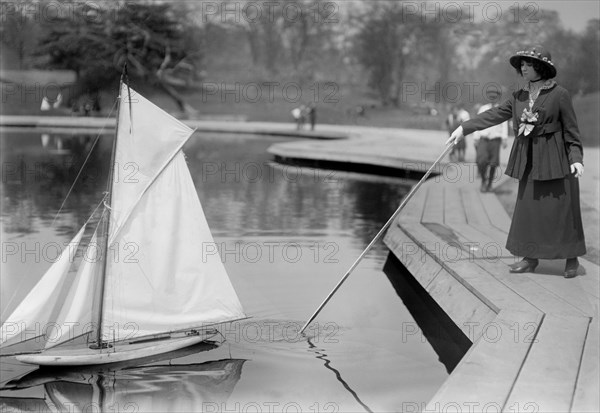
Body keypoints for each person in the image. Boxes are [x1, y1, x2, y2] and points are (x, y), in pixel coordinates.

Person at [447, 45, 585, 278]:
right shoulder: (518, 96)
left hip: (557, 160)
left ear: (540, 67)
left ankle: (571, 258)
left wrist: (577, 159)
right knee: (529, 210)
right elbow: (493, 115)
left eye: (528, 64)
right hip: (529, 161)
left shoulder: (559, 94)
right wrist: (464, 128)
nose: (523, 67)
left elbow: (571, 130)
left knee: (561, 209)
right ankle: (530, 258)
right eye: (521, 64)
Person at [473, 90, 509, 192]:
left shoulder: (501, 109)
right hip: (483, 139)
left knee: (493, 163)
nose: (493, 98)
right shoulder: (483, 108)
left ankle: (489, 184)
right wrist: (475, 138)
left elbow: (504, 125)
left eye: (495, 96)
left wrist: (504, 138)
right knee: (481, 161)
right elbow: (477, 122)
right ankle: (484, 180)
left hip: (495, 140)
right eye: (491, 97)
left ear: (498, 98)